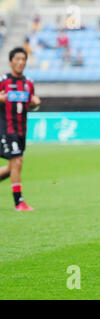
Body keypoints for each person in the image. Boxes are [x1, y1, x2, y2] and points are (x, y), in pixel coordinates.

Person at [0, 47, 41, 211]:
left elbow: (28, 106)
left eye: (23, 59)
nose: (21, 62)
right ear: (11, 62)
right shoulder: (3, 81)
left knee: (13, 168)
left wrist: (35, 103)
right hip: (6, 128)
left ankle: (19, 201)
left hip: (21, 130)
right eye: (17, 59)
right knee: (16, 161)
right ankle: (19, 202)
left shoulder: (28, 84)